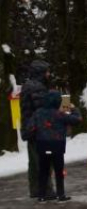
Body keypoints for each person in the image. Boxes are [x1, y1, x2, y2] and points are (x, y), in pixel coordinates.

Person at [27, 90, 80, 203]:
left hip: (42, 145)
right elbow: (77, 119)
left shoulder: (38, 113)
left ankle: (41, 195)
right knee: (58, 171)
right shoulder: (60, 114)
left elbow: (30, 128)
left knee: (43, 171)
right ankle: (60, 195)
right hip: (57, 146)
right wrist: (73, 108)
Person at [20, 60, 56, 199]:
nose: (49, 74)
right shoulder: (37, 87)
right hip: (39, 129)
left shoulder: (27, 85)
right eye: (47, 71)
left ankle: (35, 189)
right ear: (40, 72)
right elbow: (42, 108)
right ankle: (46, 190)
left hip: (30, 128)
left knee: (34, 162)